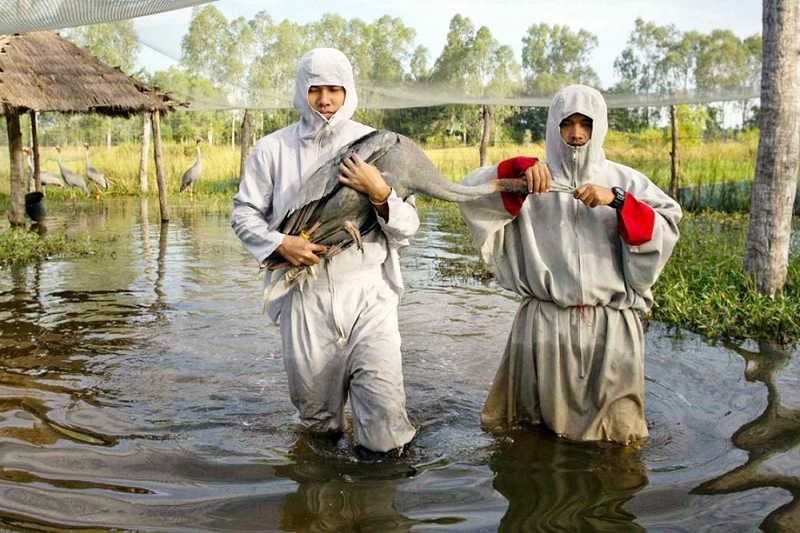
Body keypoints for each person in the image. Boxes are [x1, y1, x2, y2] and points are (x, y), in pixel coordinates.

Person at [459, 84, 682, 445]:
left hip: (610, 327)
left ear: (599, 127)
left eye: (586, 124)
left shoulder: (624, 181)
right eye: (567, 123)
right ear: (554, 127)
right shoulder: (533, 179)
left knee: (620, 437)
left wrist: (620, 202)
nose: (577, 134)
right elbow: (470, 194)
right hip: (544, 326)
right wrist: (515, 175)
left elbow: (666, 223)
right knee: (532, 436)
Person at [231, 48, 418, 453]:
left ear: (349, 91)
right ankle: (319, 503)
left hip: (369, 294)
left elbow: (408, 228)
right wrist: (282, 243)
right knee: (318, 426)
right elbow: (244, 214)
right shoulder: (272, 150)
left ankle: (379, 506)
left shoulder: (378, 146)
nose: (325, 100)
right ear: (302, 92)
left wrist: (381, 193)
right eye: (316, 89)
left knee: (385, 423)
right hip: (305, 297)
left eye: (335, 89)